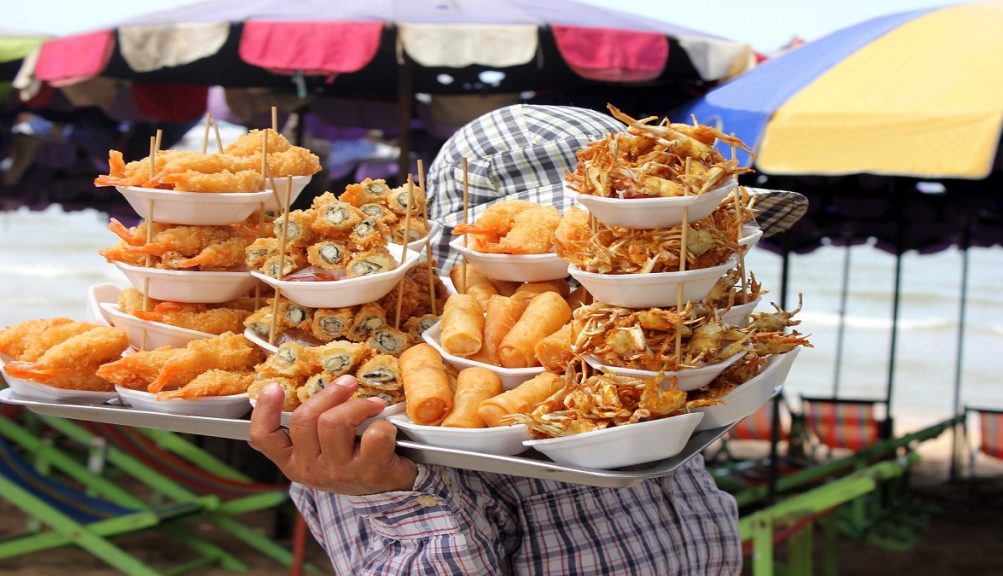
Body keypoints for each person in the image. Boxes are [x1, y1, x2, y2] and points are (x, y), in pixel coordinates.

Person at [249, 104, 743, 575]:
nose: (635, 279)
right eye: (602, 256)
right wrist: (383, 491)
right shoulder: (354, 425)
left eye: (647, 258)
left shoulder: (657, 360)